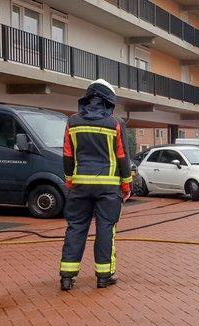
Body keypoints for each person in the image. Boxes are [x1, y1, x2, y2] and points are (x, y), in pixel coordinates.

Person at [59, 79, 133, 291]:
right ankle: (104, 276)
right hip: (108, 188)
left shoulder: (72, 122)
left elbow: (67, 154)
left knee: (75, 228)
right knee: (105, 230)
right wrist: (126, 185)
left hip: (80, 185)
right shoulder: (115, 123)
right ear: (109, 100)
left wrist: (70, 180)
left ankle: (67, 276)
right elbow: (122, 157)